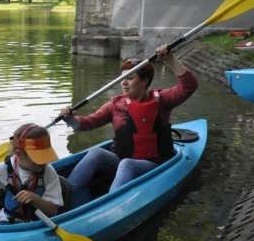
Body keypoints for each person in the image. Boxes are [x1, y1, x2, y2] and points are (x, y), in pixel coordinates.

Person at [58, 45, 198, 207]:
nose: (123, 83)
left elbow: (189, 86)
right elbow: (89, 122)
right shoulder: (115, 104)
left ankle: (109, 207)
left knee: (127, 164)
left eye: (130, 78)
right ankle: (63, 196)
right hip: (121, 159)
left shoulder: (162, 100)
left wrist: (170, 59)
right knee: (96, 152)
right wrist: (70, 119)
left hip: (153, 165)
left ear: (144, 81)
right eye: (121, 79)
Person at [0, 123, 63, 224]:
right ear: (19, 154)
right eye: (38, 157)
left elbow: (52, 211)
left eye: (45, 155)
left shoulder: (48, 172)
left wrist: (34, 198)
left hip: (39, 223)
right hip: (8, 220)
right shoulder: (2, 170)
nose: (44, 161)